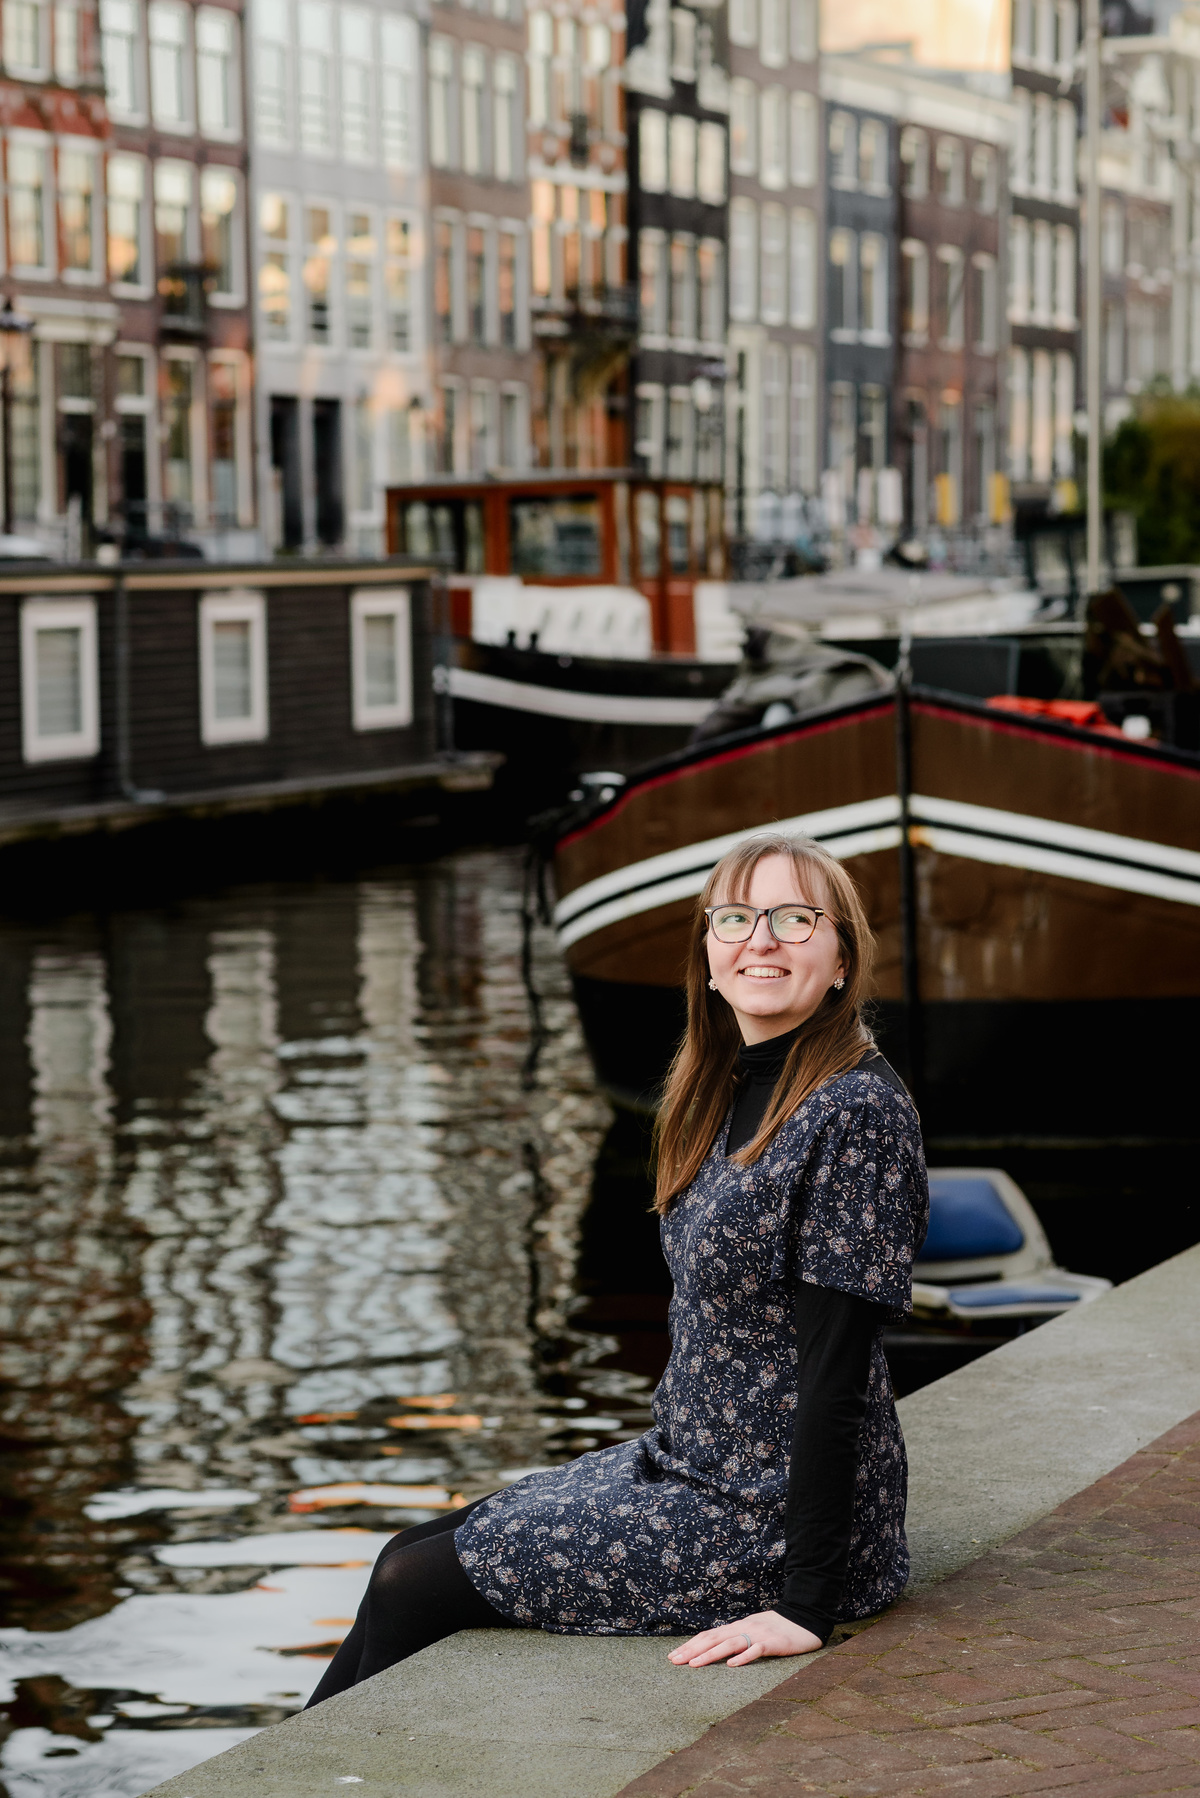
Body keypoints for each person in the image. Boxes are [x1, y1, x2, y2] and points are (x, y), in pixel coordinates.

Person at [307, 832, 928, 1705]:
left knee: (416, 1585)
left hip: (767, 1516)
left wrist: (807, 1605)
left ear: (839, 960)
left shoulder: (855, 1112)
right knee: (403, 1549)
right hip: (689, 1463)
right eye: (738, 918)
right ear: (709, 959)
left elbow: (838, 1372)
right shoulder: (724, 1086)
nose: (763, 940)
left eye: (795, 918)